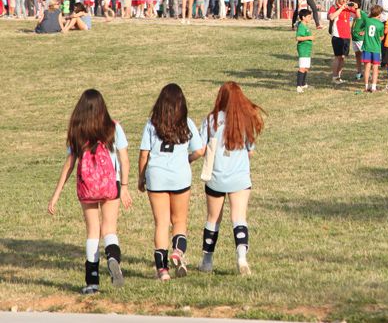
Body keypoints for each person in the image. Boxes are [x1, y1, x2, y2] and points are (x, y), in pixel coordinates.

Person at [48, 89, 133, 294]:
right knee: (109, 229)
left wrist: (56, 195)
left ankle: (92, 281)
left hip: (87, 187)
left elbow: (69, 165)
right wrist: (124, 187)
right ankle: (112, 258)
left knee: (93, 231)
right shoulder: (114, 128)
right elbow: (124, 160)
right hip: (110, 185)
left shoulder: (77, 131)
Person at [198, 82, 265, 275]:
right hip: (239, 178)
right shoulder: (245, 119)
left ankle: (207, 261)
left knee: (213, 219)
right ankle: (242, 258)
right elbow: (250, 150)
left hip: (216, 177)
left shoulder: (211, 119)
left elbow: (202, 148)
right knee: (239, 217)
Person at [138, 84, 203, 281]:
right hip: (180, 176)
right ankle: (178, 252)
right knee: (179, 221)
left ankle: (163, 270)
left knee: (161, 223)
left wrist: (141, 177)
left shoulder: (152, 124)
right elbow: (199, 151)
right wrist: (187, 159)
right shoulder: (187, 123)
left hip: (156, 178)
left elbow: (144, 154)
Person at [328, 0, 357, 84]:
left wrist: (356, 7)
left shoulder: (348, 7)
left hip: (346, 35)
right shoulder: (334, 7)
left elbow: (358, 14)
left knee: (343, 57)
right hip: (337, 35)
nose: (344, 0)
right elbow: (331, 17)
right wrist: (341, 8)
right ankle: (334, 76)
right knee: (337, 57)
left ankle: (338, 76)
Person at [360, 5, 385, 92]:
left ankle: (366, 86)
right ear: (379, 14)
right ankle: (374, 87)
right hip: (376, 48)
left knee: (367, 67)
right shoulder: (381, 25)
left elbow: (362, 27)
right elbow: (381, 37)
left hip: (367, 47)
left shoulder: (367, 20)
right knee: (375, 68)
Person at [295, 9, 314, 93]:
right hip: (303, 49)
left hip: (307, 49)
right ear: (303, 17)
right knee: (302, 67)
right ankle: (298, 86)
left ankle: (303, 84)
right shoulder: (301, 26)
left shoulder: (305, 26)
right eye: (309, 17)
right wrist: (309, 37)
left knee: (306, 67)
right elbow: (298, 38)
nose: (310, 18)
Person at [349, 0, 365, 80]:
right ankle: (359, 72)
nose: (351, 6)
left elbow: (369, 23)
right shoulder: (353, 14)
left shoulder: (362, 13)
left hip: (360, 39)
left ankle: (367, 72)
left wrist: (364, 31)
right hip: (354, 38)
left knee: (364, 56)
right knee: (357, 55)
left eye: (352, 4)